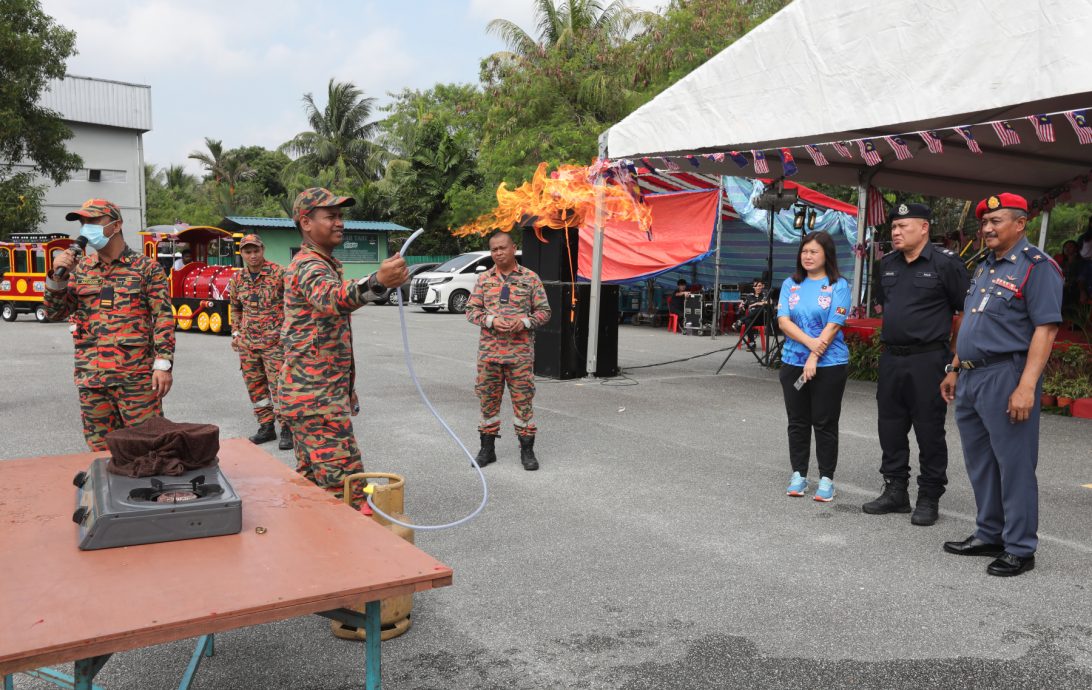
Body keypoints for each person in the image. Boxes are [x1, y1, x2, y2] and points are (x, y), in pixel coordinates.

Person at [941, 193, 1062, 577]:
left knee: (1015, 465)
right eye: (985, 222)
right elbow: (971, 322)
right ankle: (989, 533)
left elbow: (1045, 329)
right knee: (980, 463)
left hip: (1006, 375)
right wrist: (955, 367)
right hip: (972, 375)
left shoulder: (1037, 268)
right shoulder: (984, 267)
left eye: (996, 221)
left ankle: (1020, 547)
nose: (988, 228)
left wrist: (1026, 386)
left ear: (1020, 224)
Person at [278, 188, 408, 508]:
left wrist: (346, 386)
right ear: (306, 223)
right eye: (331, 216)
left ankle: (318, 551)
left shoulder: (324, 262)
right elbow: (332, 299)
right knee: (348, 493)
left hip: (318, 396)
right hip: (315, 403)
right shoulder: (309, 265)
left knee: (314, 491)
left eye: (341, 217)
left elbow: (323, 336)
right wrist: (377, 280)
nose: (339, 223)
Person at [863, 203, 970, 526]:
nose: (895, 232)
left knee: (929, 430)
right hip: (892, 357)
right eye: (894, 227)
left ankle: (929, 496)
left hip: (929, 359)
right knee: (890, 427)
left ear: (924, 228)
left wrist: (953, 360)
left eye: (903, 226)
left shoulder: (946, 263)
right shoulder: (888, 264)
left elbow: (964, 313)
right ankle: (896, 490)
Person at [44, 198, 175, 450]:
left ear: (116, 225)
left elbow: (163, 318)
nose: (86, 227)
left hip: (136, 379)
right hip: (92, 379)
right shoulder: (81, 269)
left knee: (148, 447)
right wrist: (55, 279)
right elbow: (54, 312)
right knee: (100, 451)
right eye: (83, 222)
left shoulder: (146, 268)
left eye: (93, 221)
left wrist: (163, 365)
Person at [465, 230, 551, 470]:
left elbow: (545, 312)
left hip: (520, 355)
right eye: (494, 249)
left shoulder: (530, 278)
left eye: (503, 247)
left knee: (523, 403)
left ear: (514, 248)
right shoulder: (484, 280)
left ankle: (527, 452)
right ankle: (487, 450)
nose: (498, 253)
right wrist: (491, 320)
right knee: (487, 403)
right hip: (489, 355)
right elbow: (471, 311)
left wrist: (524, 322)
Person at [776, 231, 851, 502]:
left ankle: (827, 479)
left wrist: (813, 357)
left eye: (814, 252)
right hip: (792, 363)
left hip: (830, 364)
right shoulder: (790, 284)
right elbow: (784, 321)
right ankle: (798, 474)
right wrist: (809, 346)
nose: (807, 256)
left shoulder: (838, 285)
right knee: (797, 421)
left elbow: (834, 325)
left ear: (826, 255)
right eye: (804, 251)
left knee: (824, 421)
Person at [229, 234, 291, 450]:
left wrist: (288, 333)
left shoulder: (279, 273)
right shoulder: (237, 279)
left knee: (280, 386)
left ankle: (287, 428)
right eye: (248, 251)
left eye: (256, 250)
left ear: (263, 250)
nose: (253, 255)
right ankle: (266, 426)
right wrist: (236, 333)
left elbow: (293, 304)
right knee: (255, 387)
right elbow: (235, 307)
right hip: (248, 344)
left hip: (275, 343)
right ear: (242, 254)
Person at [734, 278, 769, 350]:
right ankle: (752, 343)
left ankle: (740, 321)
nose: (758, 287)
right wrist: (741, 307)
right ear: (753, 287)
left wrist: (756, 304)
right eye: (756, 286)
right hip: (751, 320)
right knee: (748, 321)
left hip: (761, 319)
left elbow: (768, 303)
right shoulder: (749, 297)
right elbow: (744, 308)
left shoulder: (765, 295)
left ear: (762, 286)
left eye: (759, 286)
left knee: (760, 309)